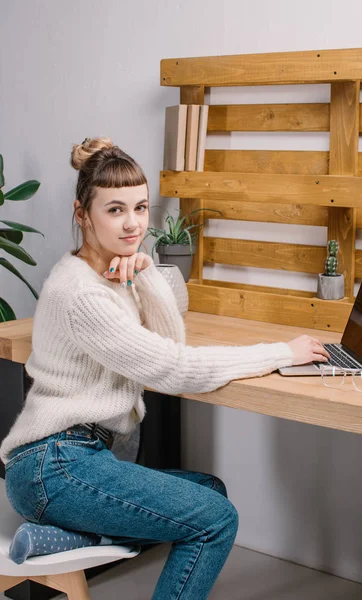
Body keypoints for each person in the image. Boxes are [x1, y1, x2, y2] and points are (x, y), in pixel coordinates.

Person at [0, 137, 330, 599]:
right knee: (216, 520)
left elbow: (169, 342)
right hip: (54, 467)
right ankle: (76, 531)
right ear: (82, 214)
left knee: (208, 491)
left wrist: (144, 272)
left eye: (141, 207)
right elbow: (175, 369)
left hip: (73, 462)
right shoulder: (81, 293)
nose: (133, 223)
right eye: (115, 210)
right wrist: (282, 353)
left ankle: (71, 536)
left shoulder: (108, 272)